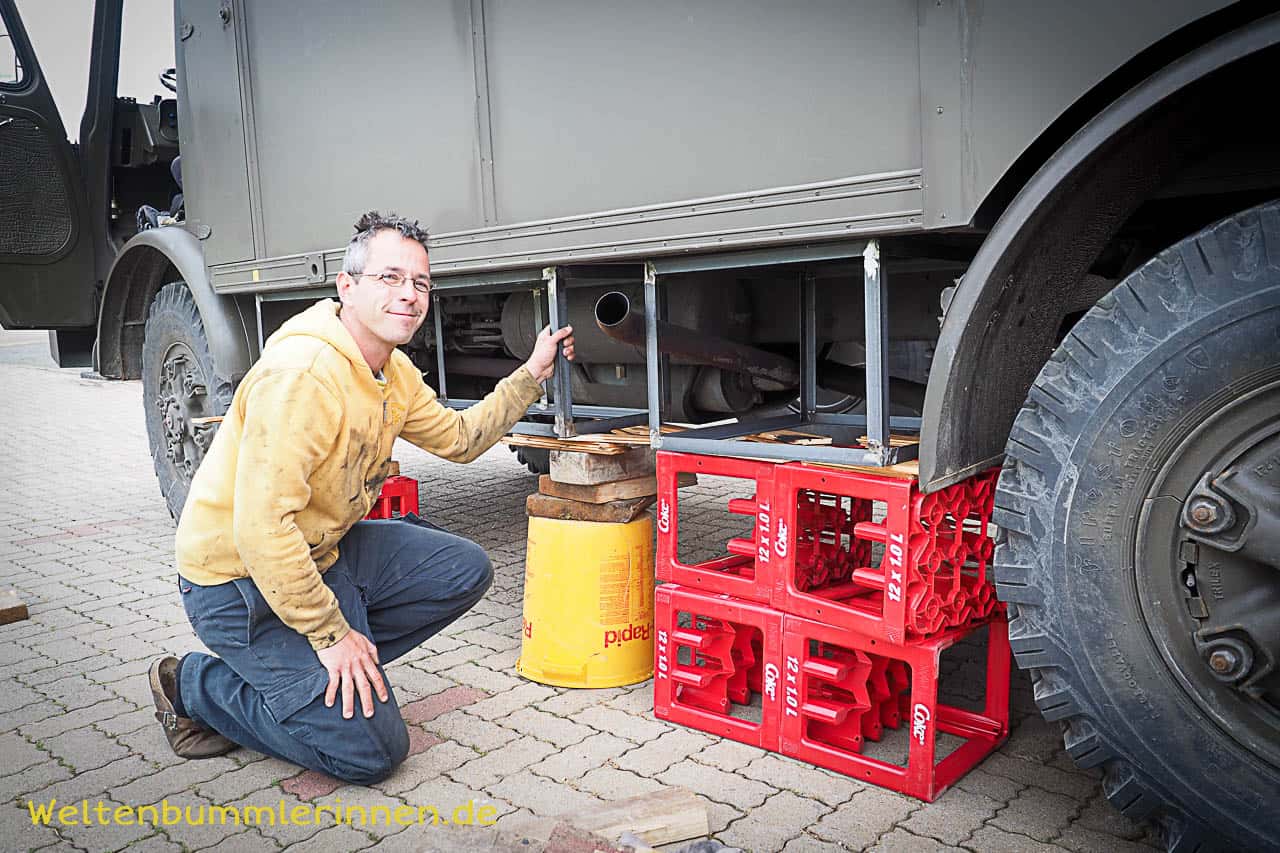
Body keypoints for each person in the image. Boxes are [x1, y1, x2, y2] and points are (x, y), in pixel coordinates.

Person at [149, 211, 574, 783]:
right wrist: (330, 635)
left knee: (462, 567)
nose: (410, 295)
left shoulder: (389, 370)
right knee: (369, 753)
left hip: (318, 558)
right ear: (346, 287)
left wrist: (530, 375)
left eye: (421, 283)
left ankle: (312, 678)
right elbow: (262, 531)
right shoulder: (303, 377)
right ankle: (197, 685)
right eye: (390, 278)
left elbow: (460, 439)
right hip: (237, 584)